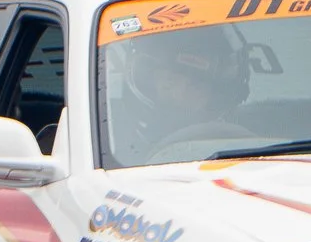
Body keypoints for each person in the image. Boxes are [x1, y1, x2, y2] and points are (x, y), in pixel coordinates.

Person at [107, 25, 252, 160]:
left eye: (211, 86)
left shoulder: (254, 137)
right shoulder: (107, 141)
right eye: (195, 83)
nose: (206, 93)